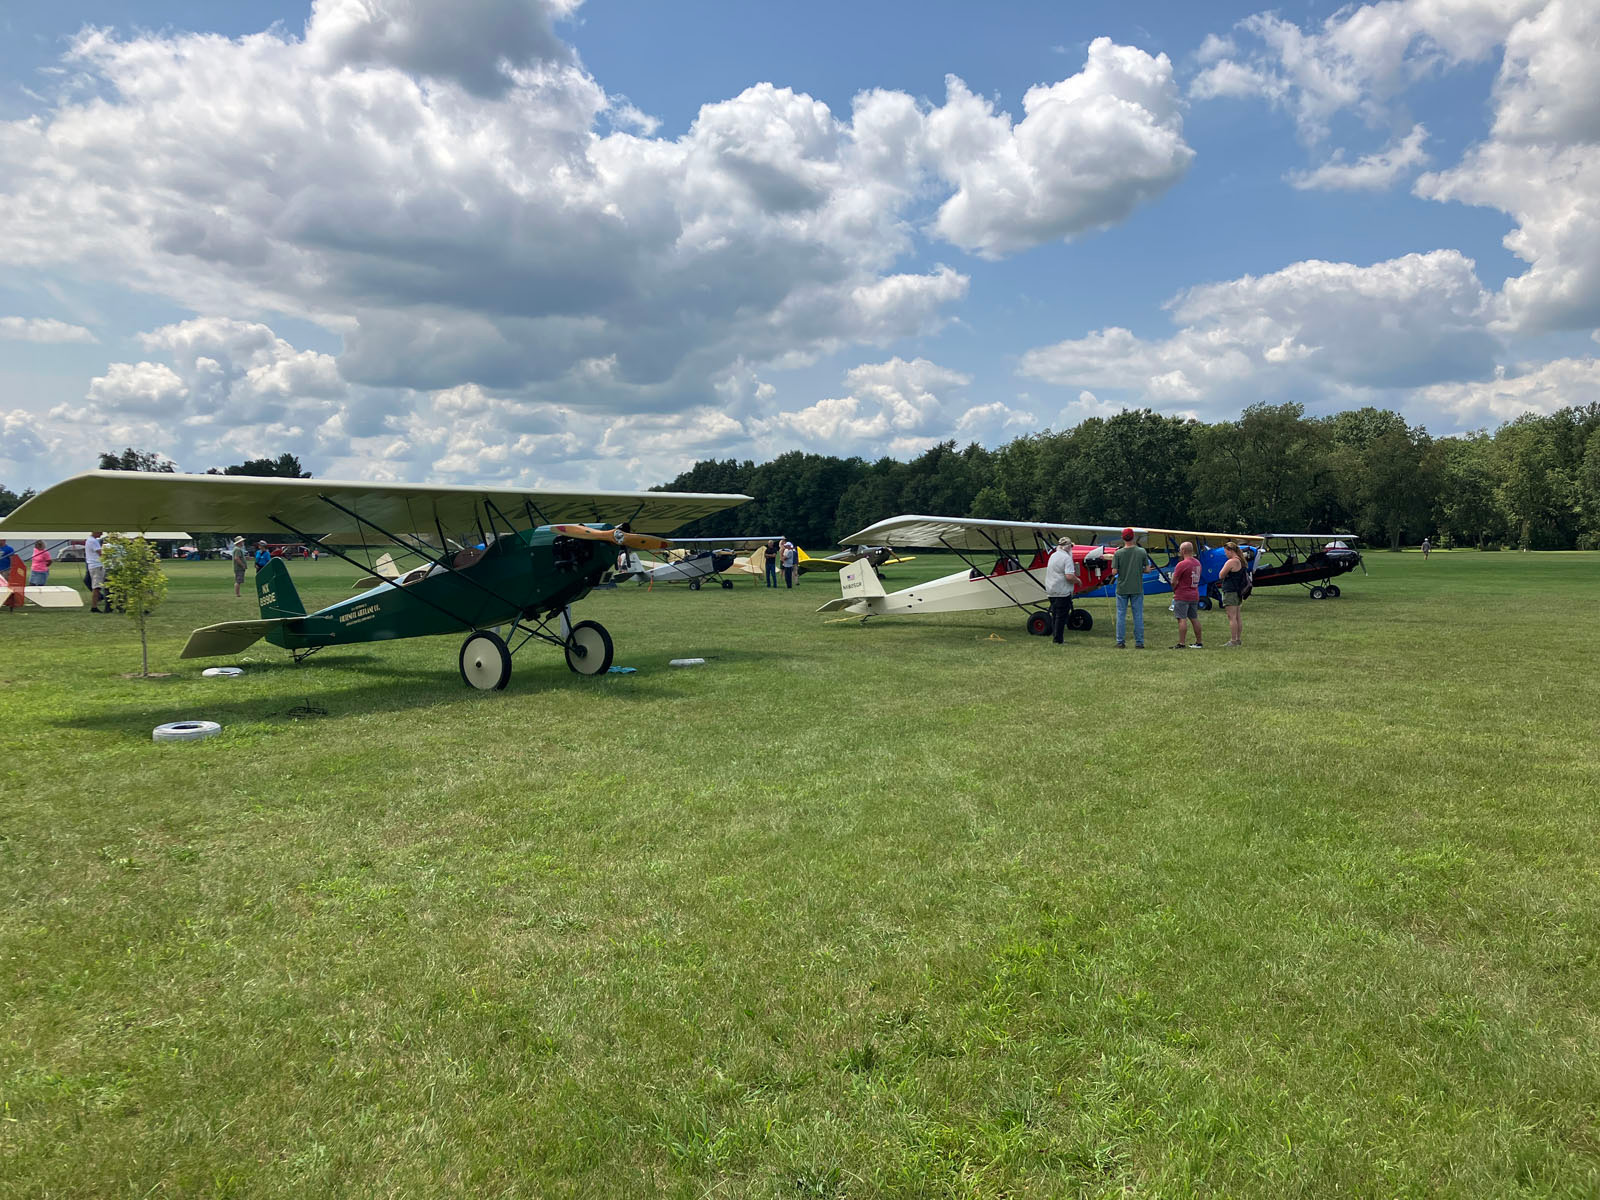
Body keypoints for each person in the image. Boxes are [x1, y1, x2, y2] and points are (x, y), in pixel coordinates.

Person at [1112, 527, 1153, 648]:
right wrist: (1139, 569)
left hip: (1122, 588)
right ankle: (1139, 642)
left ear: (1122, 538)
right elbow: (1147, 570)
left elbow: (1114, 572)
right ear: (1133, 537)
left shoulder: (1118, 553)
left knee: (1121, 615)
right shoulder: (1141, 551)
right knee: (1138, 615)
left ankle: (1120, 641)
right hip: (1137, 587)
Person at [1043, 536, 1078, 644]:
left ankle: (1056, 637)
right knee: (1061, 616)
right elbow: (1069, 576)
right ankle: (1058, 640)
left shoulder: (1053, 556)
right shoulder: (1066, 558)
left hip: (1051, 590)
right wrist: (1078, 581)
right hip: (1062, 591)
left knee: (1055, 615)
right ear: (1068, 547)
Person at [1170, 541, 1203, 649]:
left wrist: (1175, 589)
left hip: (1182, 595)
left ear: (1183, 551)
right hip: (1194, 593)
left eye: (1180, 550)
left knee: (1181, 619)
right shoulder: (1197, 563)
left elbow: (1174, 581)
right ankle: (1199, 642)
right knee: (1194, 618)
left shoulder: (1182, 564)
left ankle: (1181, 643)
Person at [1217, 540, 1248, 647]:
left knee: (1232, 617)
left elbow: (1221, 575)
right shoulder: (1241, 561)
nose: (1225, 554)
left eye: (1226, 552)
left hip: (1230, 591)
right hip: (1238, 591)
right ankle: (1238, 639)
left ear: (1230, 551)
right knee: (1238, 616)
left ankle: (1233, 640)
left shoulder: (1231, 562)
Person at [85, 530, 108, 613]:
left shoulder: (90, 540)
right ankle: (94, 607)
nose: (101, 534)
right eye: (100, 532)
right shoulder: (93, 541)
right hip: (97, 565)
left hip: (92, 565)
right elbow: (100, 553)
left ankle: (94, 605)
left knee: (96, 586)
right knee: (96, 587)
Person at [0, 538, 22, 612]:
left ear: (4, 540)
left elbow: (12, 559)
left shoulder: (9, 549)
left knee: (7, 586)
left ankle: (9, 601)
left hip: (6, 570)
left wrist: (12, 569)